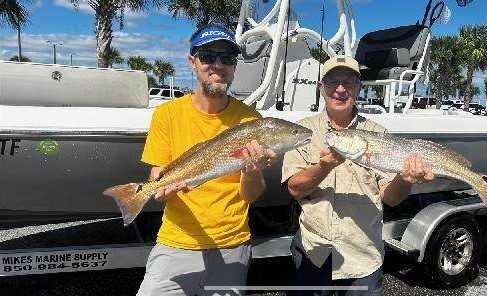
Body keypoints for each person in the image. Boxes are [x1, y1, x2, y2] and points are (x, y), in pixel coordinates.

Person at [137, 24, 277, 296]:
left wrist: (251, 171)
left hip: (232, 244)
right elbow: (158, 175)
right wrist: (159, 189)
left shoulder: (251, 121)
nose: (218, 65)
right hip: (175, 242)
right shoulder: (167, 114)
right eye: (208, 56)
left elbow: (250, 196)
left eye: (227, 59)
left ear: (234, 67)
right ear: (192, 62)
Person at [281, 56, 435, 295]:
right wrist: (323, 167)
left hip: (362, 257)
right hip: (314, 253)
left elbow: (390, 198)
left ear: (359, 89)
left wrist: (404, 179)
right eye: (332, 82)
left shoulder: (378, 135)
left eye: (349, 83)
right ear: (321, 88)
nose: (340, 89)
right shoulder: (302, 131)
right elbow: (294, 189)